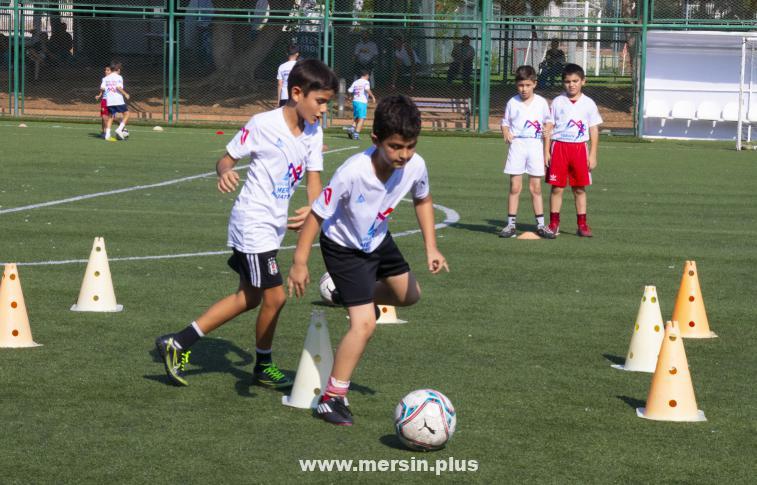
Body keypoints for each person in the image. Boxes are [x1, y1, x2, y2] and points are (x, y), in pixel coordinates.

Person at [155, 59, 338, 388]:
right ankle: (262, 364)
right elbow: (225, 159)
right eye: (320, 101)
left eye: (328, 103)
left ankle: (179, 342)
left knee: (249, 297)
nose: (324, 110)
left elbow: (314, 179)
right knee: (275, 297)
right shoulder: (263, 124)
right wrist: (225, 172)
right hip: (252, 221)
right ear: (297, 93)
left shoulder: (314, 132)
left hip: (273, 225)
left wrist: (312, 207)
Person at [287, 95, 449, 426]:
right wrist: (300, 262)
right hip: (343, 248)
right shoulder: (353, 172)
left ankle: (348, 294)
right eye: (396, 147)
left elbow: (423, 199)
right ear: (376, 140)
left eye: (410, 146)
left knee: (410, 296)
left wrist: (431, 247)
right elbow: (317, 215)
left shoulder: (415, 165)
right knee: (365, 324)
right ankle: (332, 398)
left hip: (377, 238)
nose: (404, 155)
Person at [544, 63, 602, 237]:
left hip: (579, 149)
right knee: (557, 188)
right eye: (568, 81)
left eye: (575, 81)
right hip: (559, 147)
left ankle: (582, 224)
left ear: (583, 81)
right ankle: (554, 224)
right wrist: (546, 150)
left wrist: (593, 154)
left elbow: (593, 129)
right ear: (563, 83)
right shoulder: (557, 101)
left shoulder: (589, 104)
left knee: (579, 188)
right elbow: (549, 126)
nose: (572, 84)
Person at [499, 65, 555, 239]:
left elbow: (549, 122)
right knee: (515, 186)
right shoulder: (512, 102)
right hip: (518, 146)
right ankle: (510, 225)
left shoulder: (541, 103)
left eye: (528, 85)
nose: (524, 89)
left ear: (534, 84)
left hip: (535, 146)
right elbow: (505, 122)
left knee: (536, 188)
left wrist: (547, 148)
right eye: (521, 85)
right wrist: (506, 132)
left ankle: (540, 225)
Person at [99, 62, 130, 141]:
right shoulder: (119, 77)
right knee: (126, 114)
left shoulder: (106, 78)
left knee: (111, 117)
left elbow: (102, 87)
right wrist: (125, 94)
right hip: (118, 99)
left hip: (109, 100)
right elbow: (118, 87)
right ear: (118, 70)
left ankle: (107, 135)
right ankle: (119, 129)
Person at [346, 69, 376, 140]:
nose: (368, 77)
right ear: (366, 75)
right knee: (362, 118)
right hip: (361, 102)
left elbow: (349, 90)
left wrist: (350, 97)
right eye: (368, 76)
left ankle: (351, 129)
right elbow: (367, 89)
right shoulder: (366, 82)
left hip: (355, 101)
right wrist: (373, 96)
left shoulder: (356, 82)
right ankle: (356, 134)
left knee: (357, 117)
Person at [95, 64, 112, 138]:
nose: (106, 71)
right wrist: (99, 95)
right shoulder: (104, 79)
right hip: (105, 100)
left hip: (112, 100)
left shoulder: (114, 79)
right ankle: (104, 132)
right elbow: (102, 88)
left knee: (111, 117)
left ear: (111, 71)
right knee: (104, 117)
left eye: (108, 70)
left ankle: (122, 127)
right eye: (105, 70)